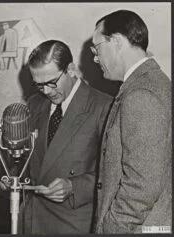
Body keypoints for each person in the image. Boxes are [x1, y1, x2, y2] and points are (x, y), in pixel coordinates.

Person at [17, 40, 113, 234]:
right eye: (39, 85)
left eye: (52, 82)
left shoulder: (104, 106)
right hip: (31, 222)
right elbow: (28, 163)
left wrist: (74, 187)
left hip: (73, 224)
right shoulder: (34, 104)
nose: (46, 91)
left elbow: (115, 174)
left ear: (70, 69)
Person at [91, 10, 171, 233]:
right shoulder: (153, 83)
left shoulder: (141, 94)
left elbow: (142, 187)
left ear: (116, 42)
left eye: (97, 48)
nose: (96, 58)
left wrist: (111, 229)